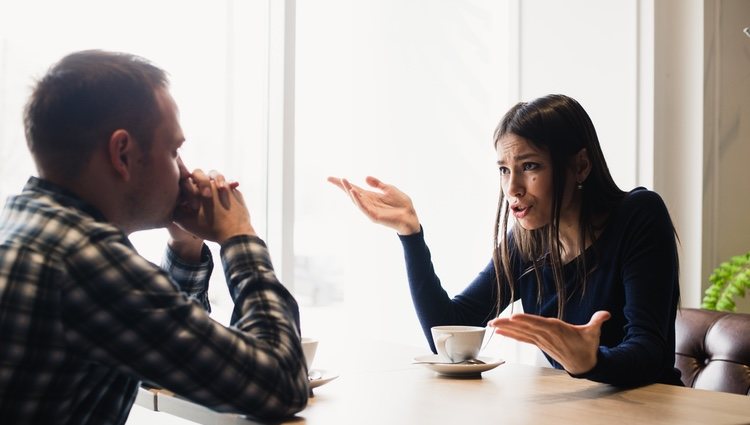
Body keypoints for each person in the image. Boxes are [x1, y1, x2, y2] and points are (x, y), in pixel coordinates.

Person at [0, 50, 308, 424]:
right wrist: (239, 237)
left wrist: (185, 246)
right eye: (173, 150)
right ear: (123, 154)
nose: (183, 171)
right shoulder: (84, 259)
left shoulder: (27, 225)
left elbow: (162, 351)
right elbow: (279, 384)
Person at [329, 94, 683, 387]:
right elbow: (450, 331)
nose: (512, 188)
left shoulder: (639, 214)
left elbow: (649, 352)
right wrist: (410, 234)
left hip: (654, 409)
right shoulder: (526, 242)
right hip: (580, 411)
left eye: (530, 166)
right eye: (503, 169)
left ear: (581, 166)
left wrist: (591, 361)